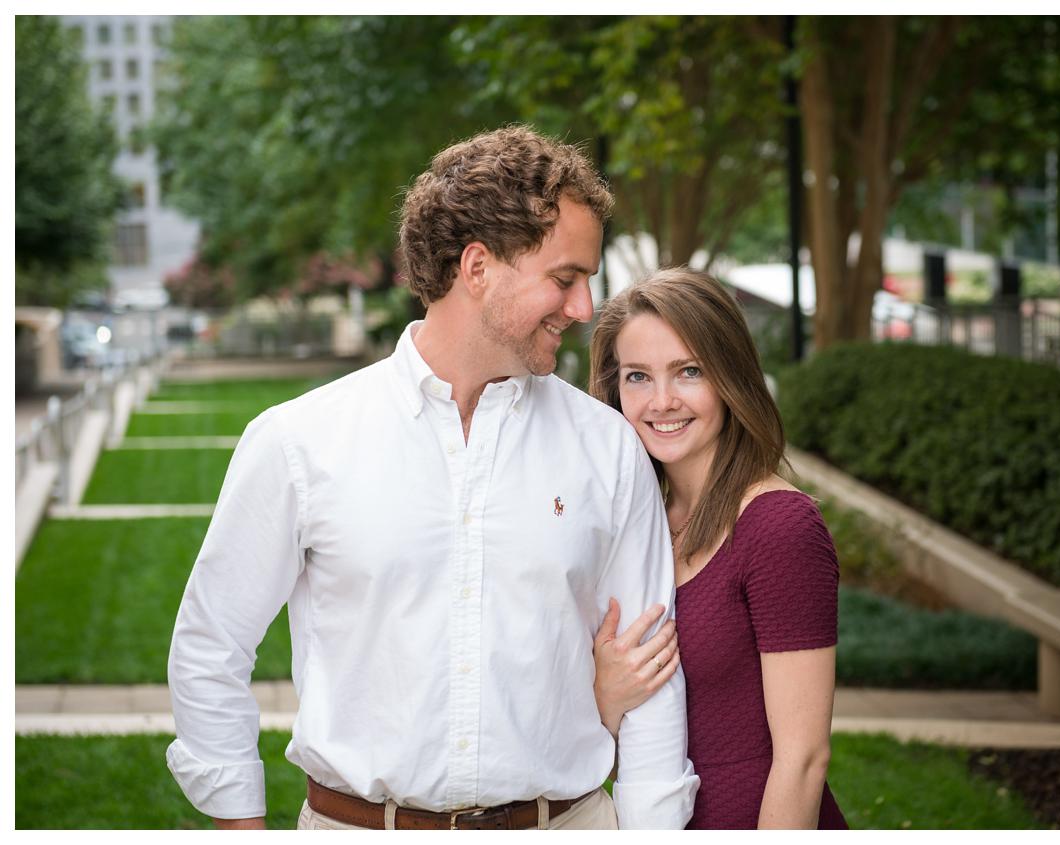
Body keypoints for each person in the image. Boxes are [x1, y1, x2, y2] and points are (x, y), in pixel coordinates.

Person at [165, 126, 699, 829]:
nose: (582, 307)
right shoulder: (300, 442)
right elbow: (211, 644)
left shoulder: (608, 448)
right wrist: (240, 821)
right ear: (478, 268)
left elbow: (652, 677)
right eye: (565, 278)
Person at [585, 268, 845, 829]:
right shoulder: (633, 525)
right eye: (637, 376)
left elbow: (803, 760)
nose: (661, 401)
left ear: (730, 378)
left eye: (689, 372)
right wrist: (605, 697)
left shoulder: (777, 526)